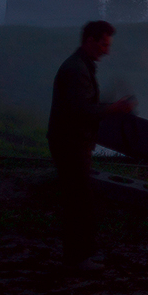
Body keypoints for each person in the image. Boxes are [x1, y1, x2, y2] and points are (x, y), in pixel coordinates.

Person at [48, 20, 136, 271]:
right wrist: (115, 108)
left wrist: (108, 106)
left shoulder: (81, 66)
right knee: (78, 200)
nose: (107, 51)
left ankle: (79, 256)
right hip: (70, 143)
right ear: (90, 41)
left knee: (78, 198)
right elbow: (82, 111)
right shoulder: (76, 70)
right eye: (104, 44)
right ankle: (78, 260)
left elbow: (83, 106)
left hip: (72, 141)